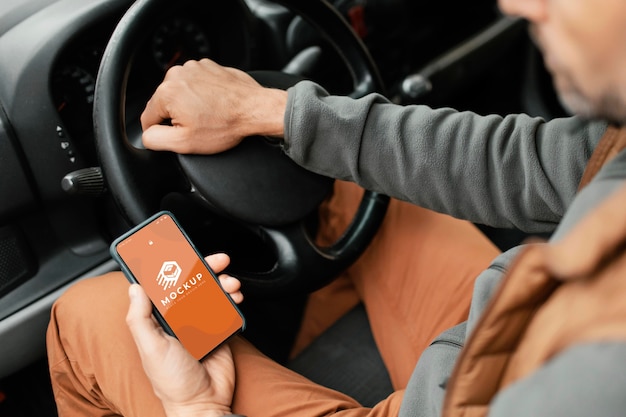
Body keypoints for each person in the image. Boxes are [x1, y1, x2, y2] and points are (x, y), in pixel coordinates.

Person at [45, 0, 626, 415]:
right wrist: (272, 113)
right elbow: (551, 161)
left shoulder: (600, 373)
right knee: (353, 191)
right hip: (507, 325)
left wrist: (193, 405)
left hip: (478, 389)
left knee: (86, 317)